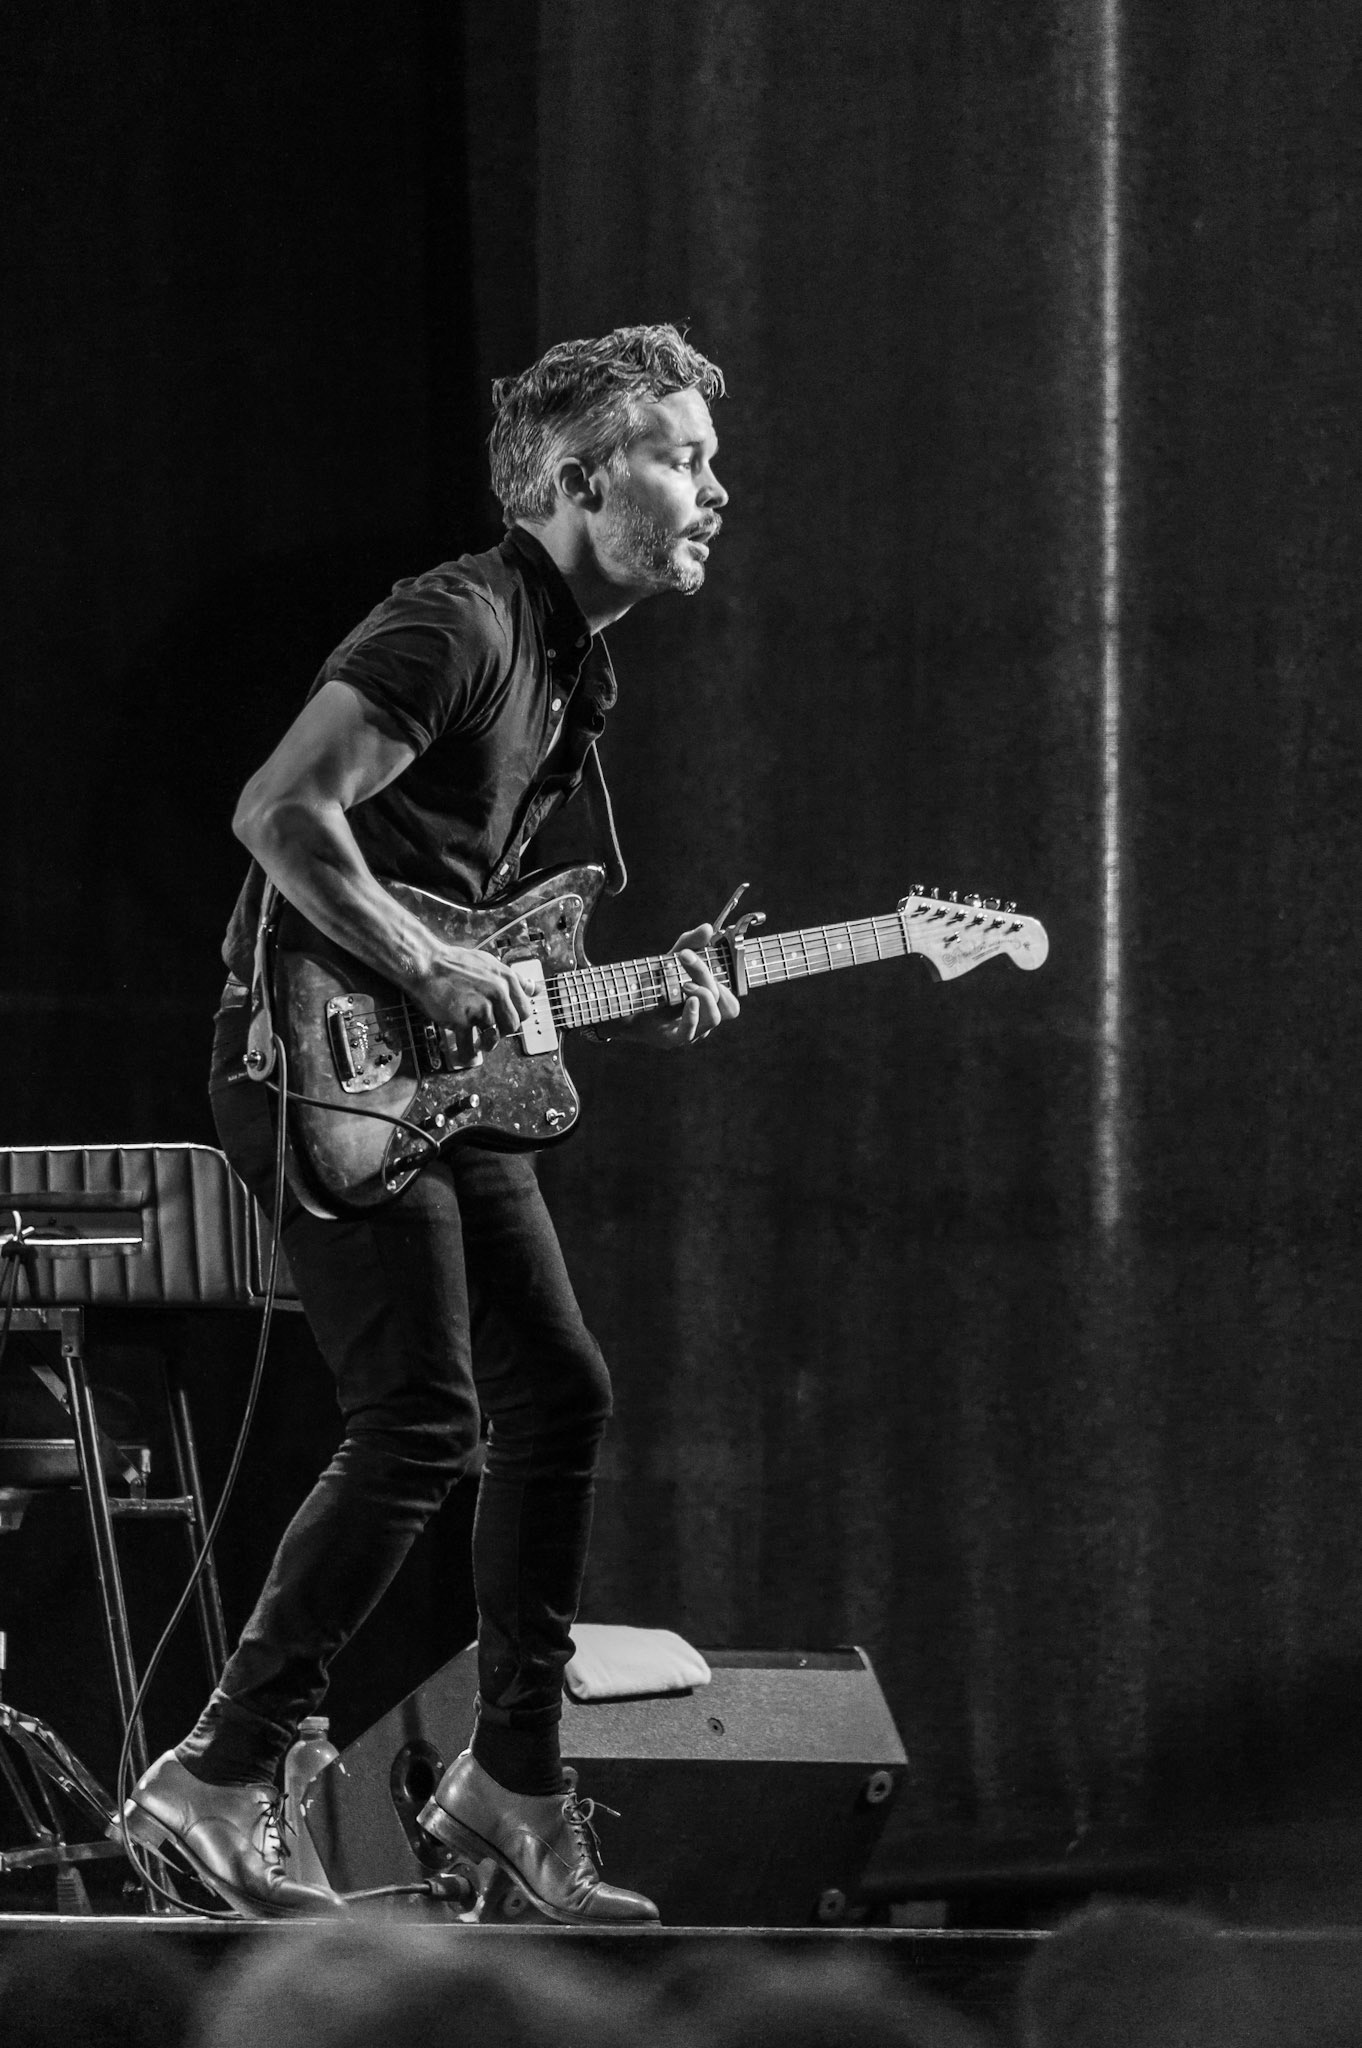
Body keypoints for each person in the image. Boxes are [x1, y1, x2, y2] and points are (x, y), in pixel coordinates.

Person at [124, 324, 736, 1920]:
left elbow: (485, 930)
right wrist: (419, 964)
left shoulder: (571, 670)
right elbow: (281, 811)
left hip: (435, 1077)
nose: (713, 489)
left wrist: (627, 991)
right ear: (580, 479)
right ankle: (218, 1771)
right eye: (680, 459)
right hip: (315, 1057)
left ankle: (512, 1783)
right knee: (416, 1422)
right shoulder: (460, 619)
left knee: (559, 1397)